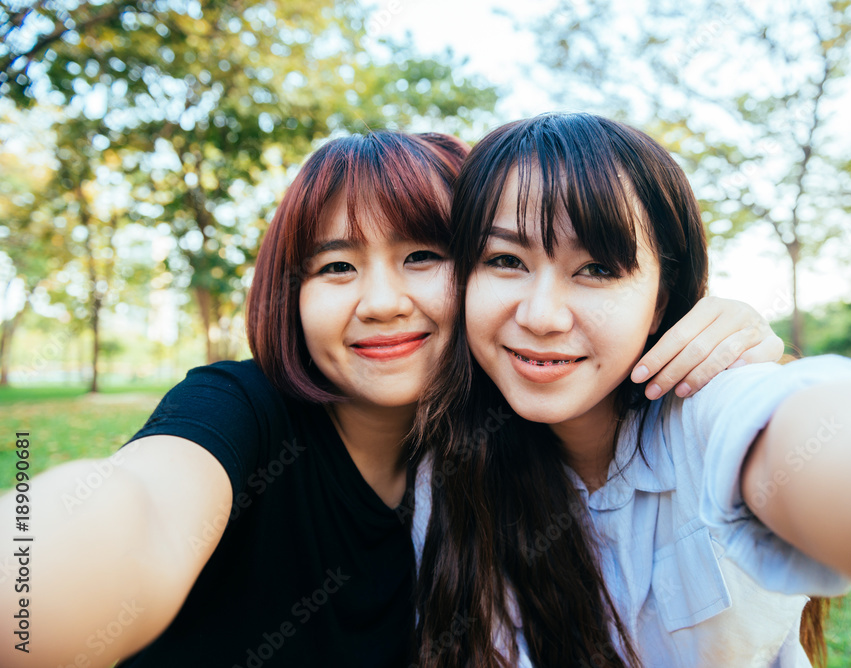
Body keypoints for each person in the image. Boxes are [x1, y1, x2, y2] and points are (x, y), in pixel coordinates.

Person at [0, 130, 781, 668]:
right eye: (336, 267)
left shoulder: (508, 452)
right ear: (290, 292)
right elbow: (134, 509)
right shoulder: (241, 411)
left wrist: (729, 335)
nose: (380, 301)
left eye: (422, 255)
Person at [411, 113, 851, 668]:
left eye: (597, 269)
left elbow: (813, 435)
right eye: (506, 260)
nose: (541, 316)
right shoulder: (447, 474)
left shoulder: (705, 411)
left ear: (660, 300)